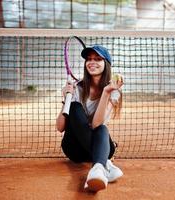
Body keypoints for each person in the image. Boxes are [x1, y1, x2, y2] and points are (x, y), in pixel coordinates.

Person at [56, 44, 124, 192]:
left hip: (100, 145)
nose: (92, 62)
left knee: (102, 128)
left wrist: (106, 92)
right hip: (75, 149)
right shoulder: (77, 88)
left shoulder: (113, 91)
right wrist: (66, 99)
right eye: (89, 59)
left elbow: (96, 125)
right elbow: (60, 127)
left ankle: (98, 169)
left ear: (106, 64)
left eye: (97, 59)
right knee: (75, 107)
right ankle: (105, 164)